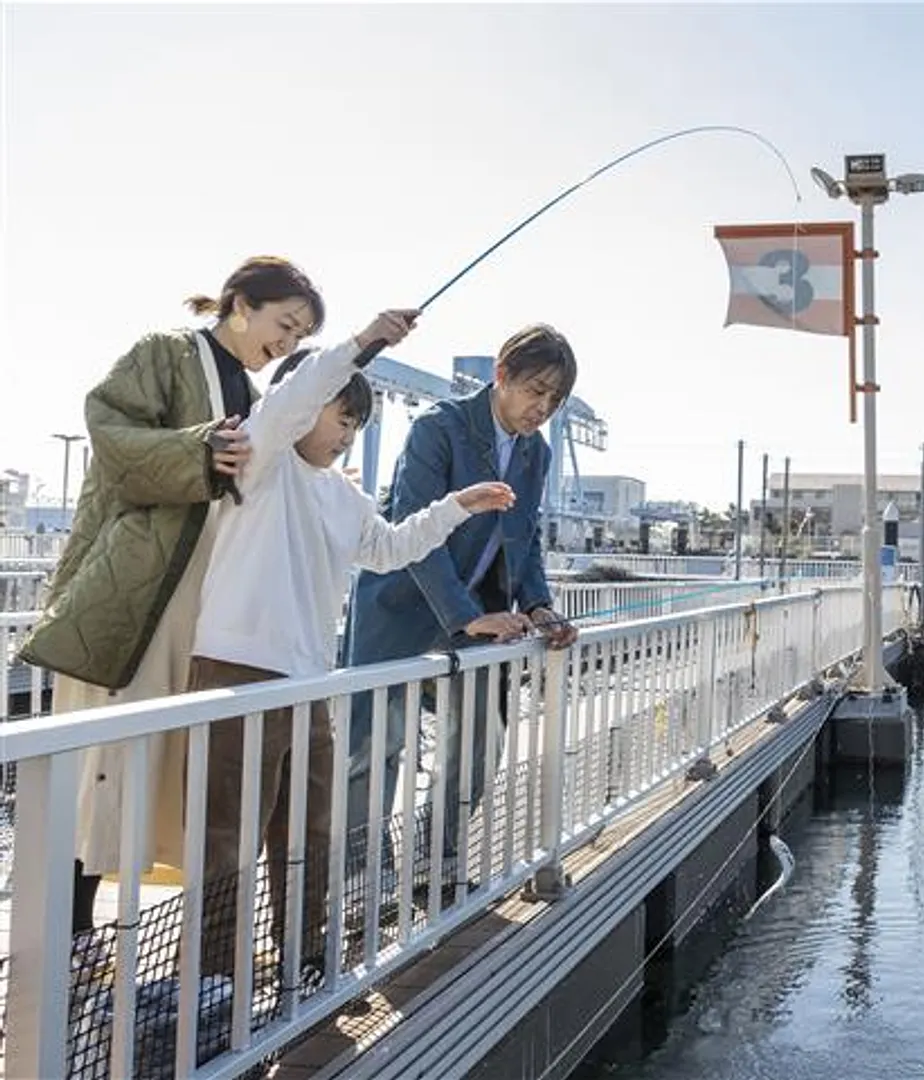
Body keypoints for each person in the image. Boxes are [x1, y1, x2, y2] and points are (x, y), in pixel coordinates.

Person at [185, 307, 516, 979]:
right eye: (342, 417)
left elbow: (390, 549)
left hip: (310, 679)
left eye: (357, 424)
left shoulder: (344, 497)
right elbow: (290, 399)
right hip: (237, 669)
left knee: (308, 828)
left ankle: (304, 956)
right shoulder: (262, 462)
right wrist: (363, 344)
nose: (347, 434)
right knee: (229, 832)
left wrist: (460, 506)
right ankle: (216, 974)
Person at [19, 256, 324, 935]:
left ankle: (104, 931)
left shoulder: (249, 391)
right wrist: (199, 450)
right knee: (105, 766)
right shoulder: (164, 353)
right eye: (286, 323)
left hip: (203, 600)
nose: (290, 343)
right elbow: (111, 432)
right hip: (139, 592)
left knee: (154, 767)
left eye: (302, 334)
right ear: (240, 304)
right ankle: (68, 931)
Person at [343, 324, 580, 889]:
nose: (541, 408)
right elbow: (413, 526)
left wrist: (540, 605)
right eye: (535, 390)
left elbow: (524, 538)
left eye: (554, 399)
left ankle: (436, 862)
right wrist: (464, 615)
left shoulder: (535, 451)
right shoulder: (438, 429)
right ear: (502, 376)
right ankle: (359, 882)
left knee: (480, 738)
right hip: (401, 604)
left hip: (477, 612)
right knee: (376, 745)